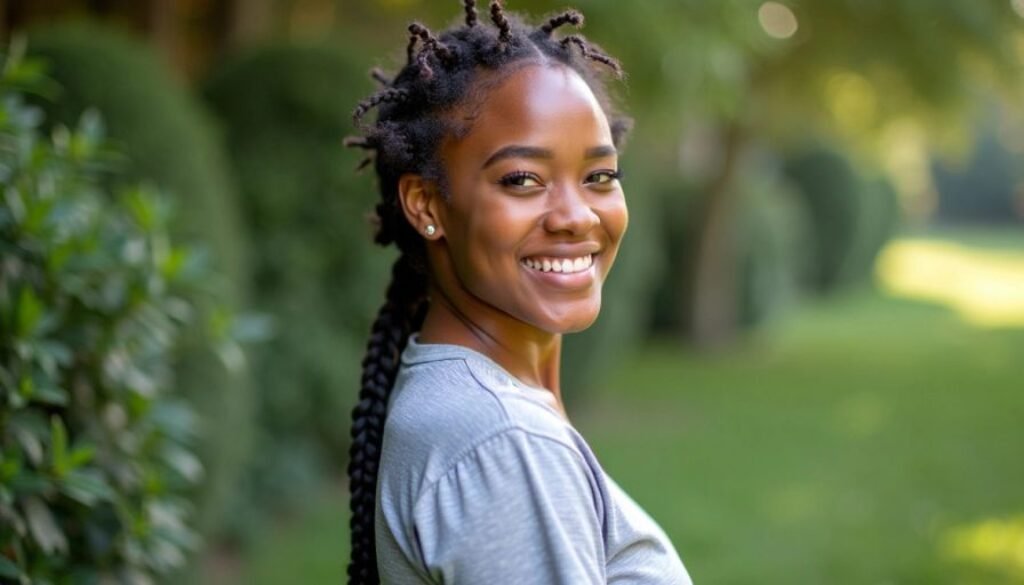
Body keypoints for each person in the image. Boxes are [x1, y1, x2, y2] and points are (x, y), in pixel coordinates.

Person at [344, 1, 693, 583]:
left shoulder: (481, 409)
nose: (576, 216)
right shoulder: (504, 441)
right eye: (522, 180)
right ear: (426, 205)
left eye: (599, 176)